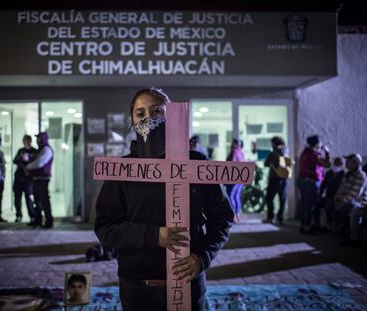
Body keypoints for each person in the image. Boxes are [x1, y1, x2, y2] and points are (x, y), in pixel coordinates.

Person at [95, 88, 233, 311]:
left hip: (189, 284)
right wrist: (153, 236)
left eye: (157, 111)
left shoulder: (197, 164)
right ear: (132, 121)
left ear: (172, 116)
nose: (148, 118)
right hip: (138, 288)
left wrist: (203, 257)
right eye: (140, 114)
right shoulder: (121, 171)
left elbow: (223, 218)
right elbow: (105, 228)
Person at [298, 135, 331, 234]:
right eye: (320, 142)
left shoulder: (305, 152)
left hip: (302, 181)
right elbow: (327, 164)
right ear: (316, 144)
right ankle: (307, 227)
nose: (321, 144)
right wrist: (327, 151)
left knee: (305, 205)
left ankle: (304, 225)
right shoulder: (314, 155)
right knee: (310, 206)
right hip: (311, 183)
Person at [334, 154, 367, 235]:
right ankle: (341, 227)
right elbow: (341, 188)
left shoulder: (361, 176)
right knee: (330, 202)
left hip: (359, 202)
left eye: (348, 161)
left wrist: (342, 201)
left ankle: (348, 231)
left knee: (346, 205)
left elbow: (354, 194)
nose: (346, 163)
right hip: (347, 200)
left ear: (355, 163)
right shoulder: (347, 174)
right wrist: (336, 197)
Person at [26, 132, 54, 229]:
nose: (37, 140)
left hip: (43, 179)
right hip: (37, 178)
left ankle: (49, 221)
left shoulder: (46, 149)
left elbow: (39, 163)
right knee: (37, 200)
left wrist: (28, 167)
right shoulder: (40, 149)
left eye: (39, 138)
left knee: (44, 200)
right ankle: (37, 220)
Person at [311, 157, 345, 233]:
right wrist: (319, 195)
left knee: (330, 204)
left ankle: (330, 224)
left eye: (338, 164)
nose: (336, 165)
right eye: (335, 163)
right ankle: (317, 224)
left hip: (338, 197)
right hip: (328, 196)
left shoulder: (343, 175)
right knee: (316, 204)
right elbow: (323, 185)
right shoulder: (329, 173)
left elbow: (343, 189)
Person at [263, 136, 290, 226]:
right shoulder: (286, 152)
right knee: (282, 199)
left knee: (269, 198)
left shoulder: (273, 153)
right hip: (284, 179)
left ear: (274, 144)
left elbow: (266, 163)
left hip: (274, 179)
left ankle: (270, 217)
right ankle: (280, 218)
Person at [13, 135, 37, 224]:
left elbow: (35, 163)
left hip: (28, 179)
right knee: (17, 198)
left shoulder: (34, 151)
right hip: (18, 178)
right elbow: (15, 160)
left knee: (29, 198)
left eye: (26, 140)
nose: (24, 142)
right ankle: (18, 215)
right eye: (23, 140)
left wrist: (25, 161)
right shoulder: (20, 151)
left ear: (30, 141)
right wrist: (21, 159)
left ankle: (32, 216)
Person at [226, 138, 245, 223]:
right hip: (240, 177)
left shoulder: (234, 151)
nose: (232, 144)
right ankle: (237, 215)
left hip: (234, 177)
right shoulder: (241, 152)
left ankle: (233, 215)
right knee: (236, 196)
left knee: (231, 196)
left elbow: (231, 163)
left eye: (233, 143)